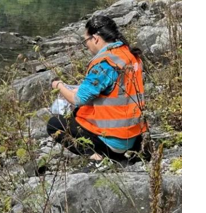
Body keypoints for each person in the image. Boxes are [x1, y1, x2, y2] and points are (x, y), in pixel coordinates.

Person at [47, 15, 149, 163]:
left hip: (114, 139)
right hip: (134, 135)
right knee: (80, 111)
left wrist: (58, 85)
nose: (86, 45)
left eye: (85, 41)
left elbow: (78, 99)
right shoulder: (129, 54)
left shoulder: (105, 62)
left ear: (95, 38)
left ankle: (96, 156)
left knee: (54, 124)